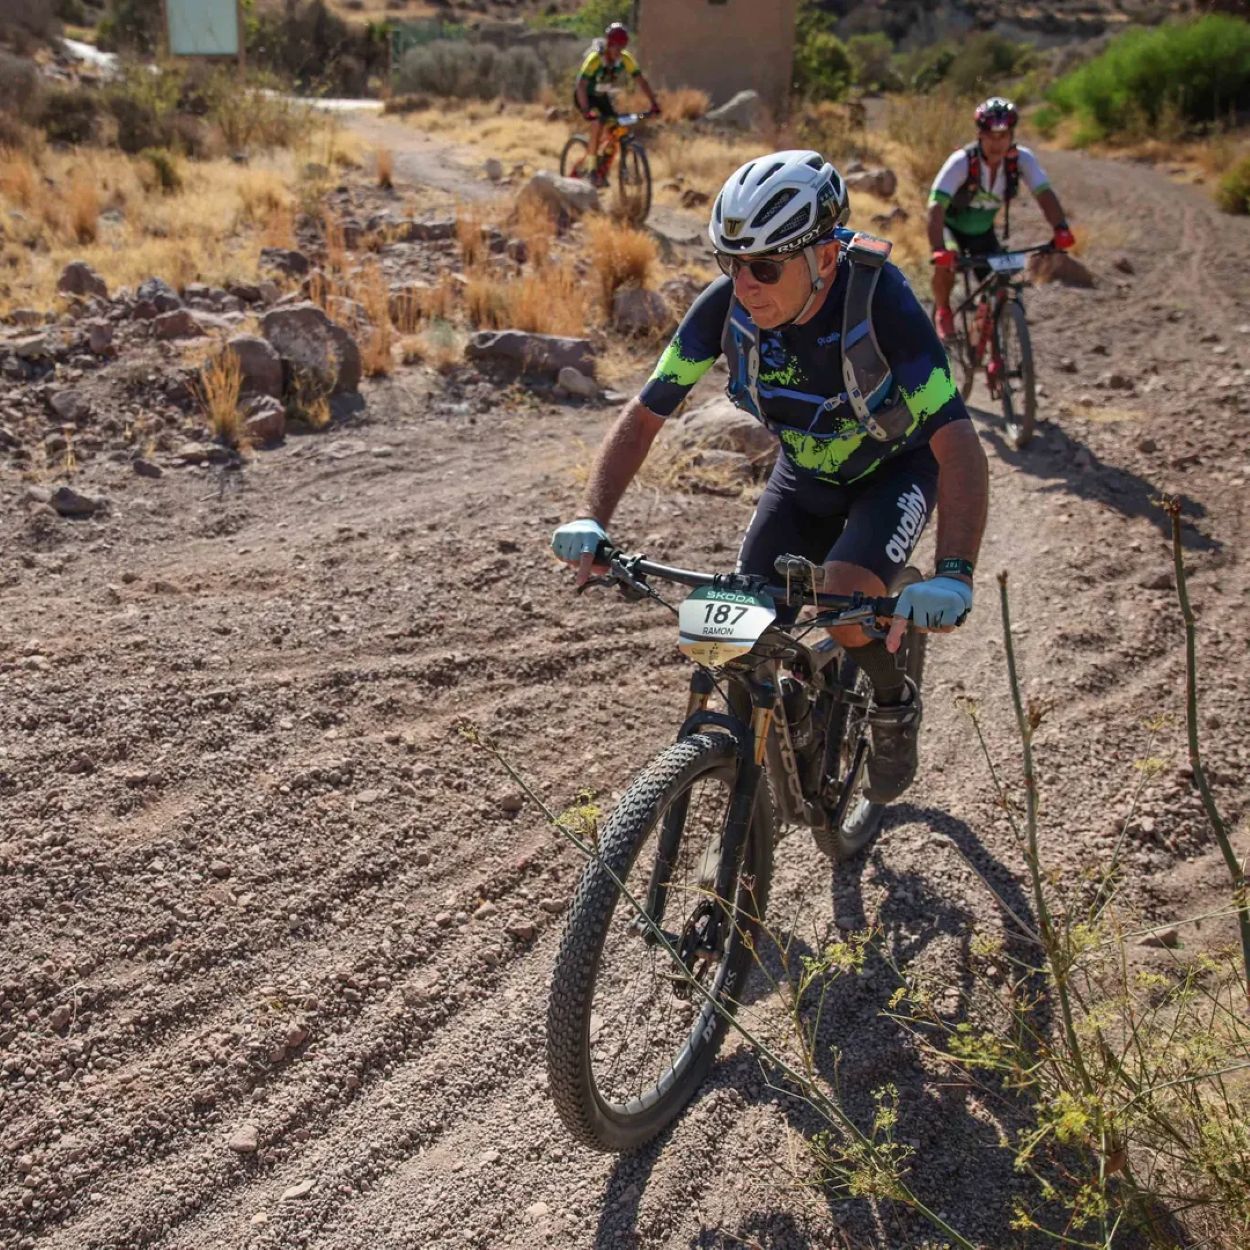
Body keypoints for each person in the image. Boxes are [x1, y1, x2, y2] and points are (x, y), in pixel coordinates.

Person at [551, 150, 989, 812]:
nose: (745, 284)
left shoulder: (881, 305)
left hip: (894, 470)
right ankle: (759, 778)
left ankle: (892, 703)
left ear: (825, 257)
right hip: (804, 474)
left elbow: (957, 443)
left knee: (844, 605)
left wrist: (955, 573)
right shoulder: (725, 309)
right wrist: (594, 518)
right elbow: (644, 416)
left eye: (765, 266)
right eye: (730, 262)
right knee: (730, 637)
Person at [928, 96, 1075, 342]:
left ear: (1011, 135)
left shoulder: (1021, 159)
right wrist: (938, 248)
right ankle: (943, 311)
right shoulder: (962, 161)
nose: (997, 143)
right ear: (980, 134)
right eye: (991, 136)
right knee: (946, 263)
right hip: (950, 227)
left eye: (1003, 136)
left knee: (1000, 285)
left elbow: (1044, 194)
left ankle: (986, 343)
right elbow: (935, 207)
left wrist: (1060, 228)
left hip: (982, 232)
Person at [572, 22, 661, 188]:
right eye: (616, 47)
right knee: (597, 123)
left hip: (602, 97)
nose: (619, 51)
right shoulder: (595, 59)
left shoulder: (625, 59)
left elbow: (641, 81)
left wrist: (654, 104)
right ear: (609, 44)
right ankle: (591, 171)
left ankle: (602, 170)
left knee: (616, 130)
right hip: (586, 97)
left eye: (622, 47)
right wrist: (586, 111)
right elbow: (581, 85)